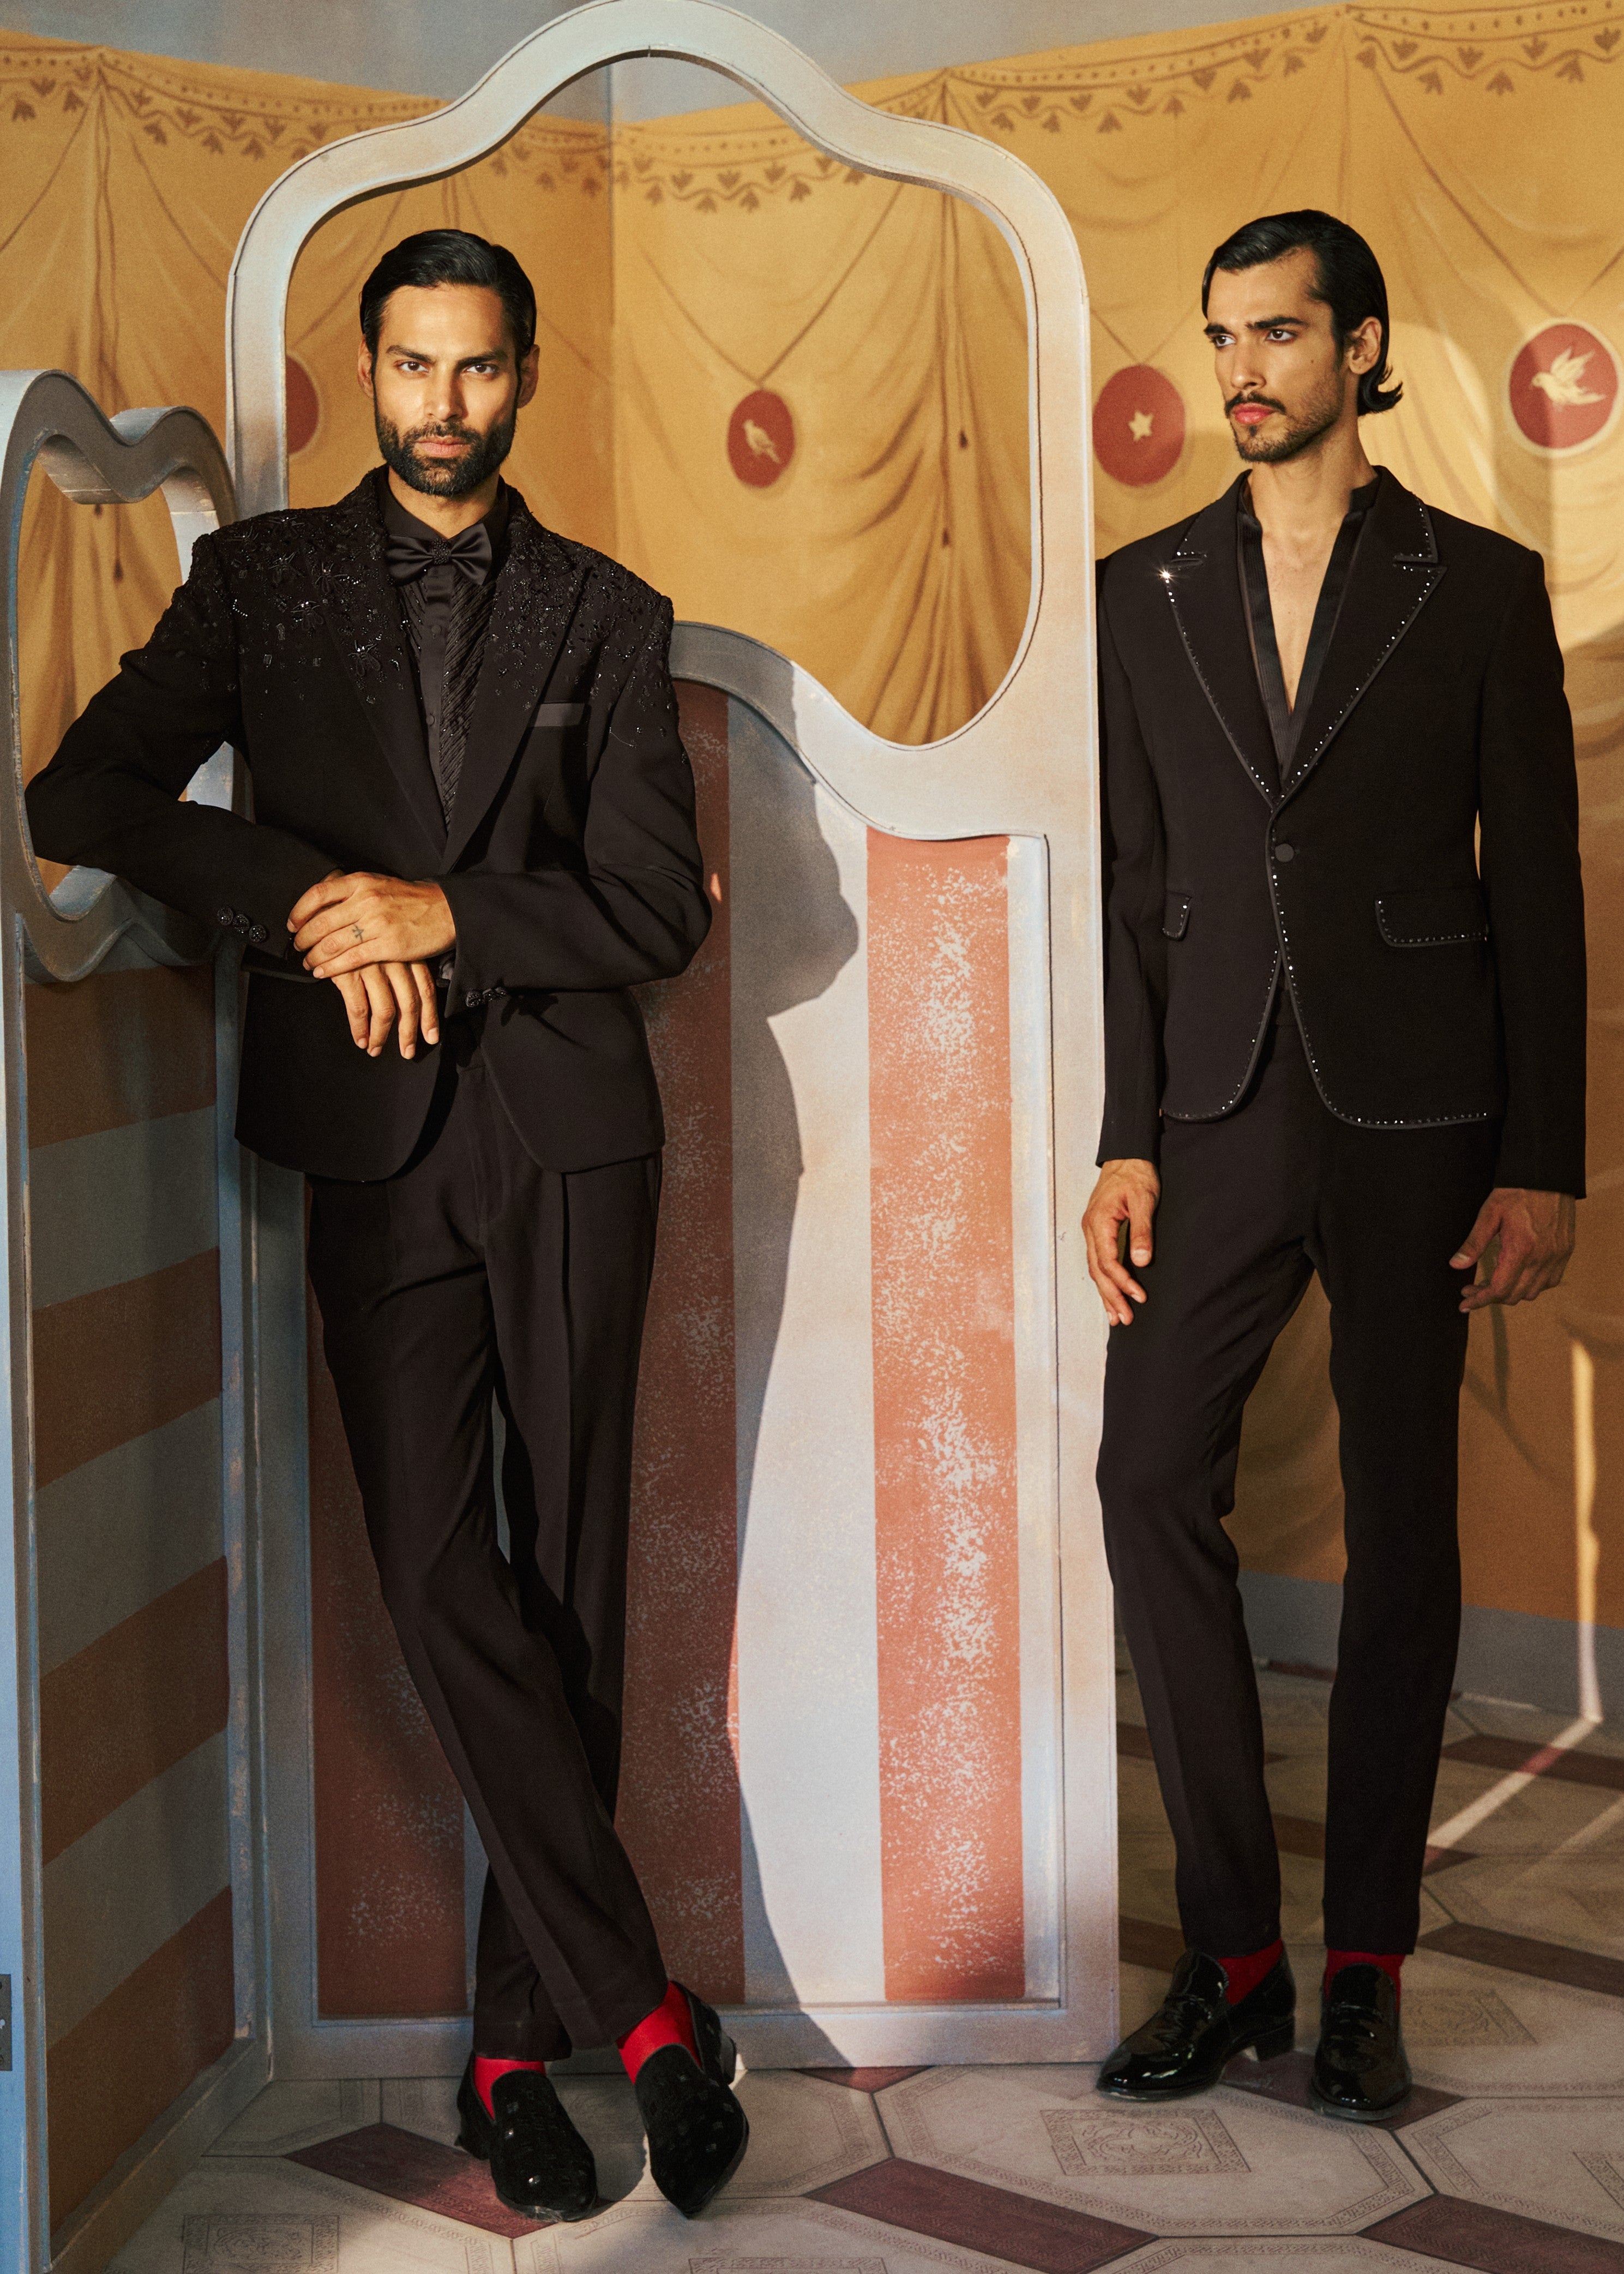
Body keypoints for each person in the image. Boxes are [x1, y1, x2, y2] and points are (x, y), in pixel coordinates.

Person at [27, 229, 749, 2221]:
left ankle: (511, 2051)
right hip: (370, 1139)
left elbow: (651, 908)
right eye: (416, 366)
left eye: (480, 368)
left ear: (526, 376)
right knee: (439, 1576)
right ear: (367, 371)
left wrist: (447, 915)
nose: (447, 403)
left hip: (570, 1139)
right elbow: (83, 794)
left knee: (570, 1582)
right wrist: (305, 899)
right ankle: (647, 2013)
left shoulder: (607, 613)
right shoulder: (261, 583)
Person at [1083, 210, 1584, 2120]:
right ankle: (1232, 1951)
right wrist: (1121, 1131)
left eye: (1276, 334)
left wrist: (1541, 1156)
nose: (1238, 370)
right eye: (1220, 337)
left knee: (1404, 1531)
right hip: (1210, 1112)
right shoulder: (1141, 591)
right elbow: (1132, 882)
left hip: (1415, 1117)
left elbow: (1535, 890)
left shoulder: (1476, 587)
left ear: (1358, 346)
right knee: (1145, 1474)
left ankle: (1364, 1958)